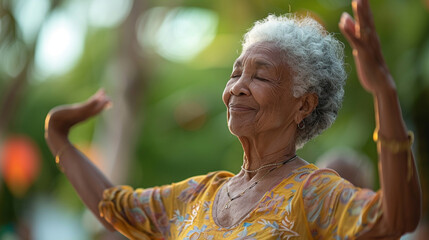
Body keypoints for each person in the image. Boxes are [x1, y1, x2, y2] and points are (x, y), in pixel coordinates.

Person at [44, 0, 421, 239]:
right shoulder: (197, 195)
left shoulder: (311, 193)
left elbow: (394, 219)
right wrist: (58, 136)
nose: (238, 87)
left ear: (302, 106)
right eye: (236, 72)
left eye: (260, 75)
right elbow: (115, 207)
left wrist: (384, 94)